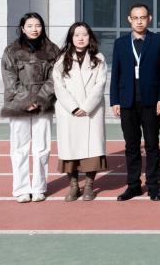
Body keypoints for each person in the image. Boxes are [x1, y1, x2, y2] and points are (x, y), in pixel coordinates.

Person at [110, 3, 160, 201]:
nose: (139, 21)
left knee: (152, 145)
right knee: (131, 146)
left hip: (151, 102)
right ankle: (133, 185)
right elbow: (115, 73)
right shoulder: (120, 43)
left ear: (149, 18)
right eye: (135, 18)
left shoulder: (159, 41)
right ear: (129, 20)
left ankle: (153, 186)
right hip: (127, 102)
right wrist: (114, 100)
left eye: (143, 17)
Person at [1, 12, 60, 203]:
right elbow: (10, 80)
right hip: (18, 105)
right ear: (22, 28)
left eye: (38, 25)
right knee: (19, 148)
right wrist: (27, 100)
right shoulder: (11, 51)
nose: (34, 29)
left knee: (42, 148)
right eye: (30, 26)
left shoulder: (52, 50)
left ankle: (39, 187)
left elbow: (55, 78)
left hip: (43, 104)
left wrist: (40, 99)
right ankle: (21, 189)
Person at [53, 22, 108, 202]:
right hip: (69, 112)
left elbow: (100, 84)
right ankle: (74, 186)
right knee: (70, 150)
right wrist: (73, 107)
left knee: (92, 149)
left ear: (89, 37)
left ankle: (90, 185)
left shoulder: (98, 58)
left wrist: (86, 107)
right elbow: (58, 86)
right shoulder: (62, 59)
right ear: (71, 38)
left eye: (84, 34)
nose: (80, 38)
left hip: (91, 111)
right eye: (76, 35)